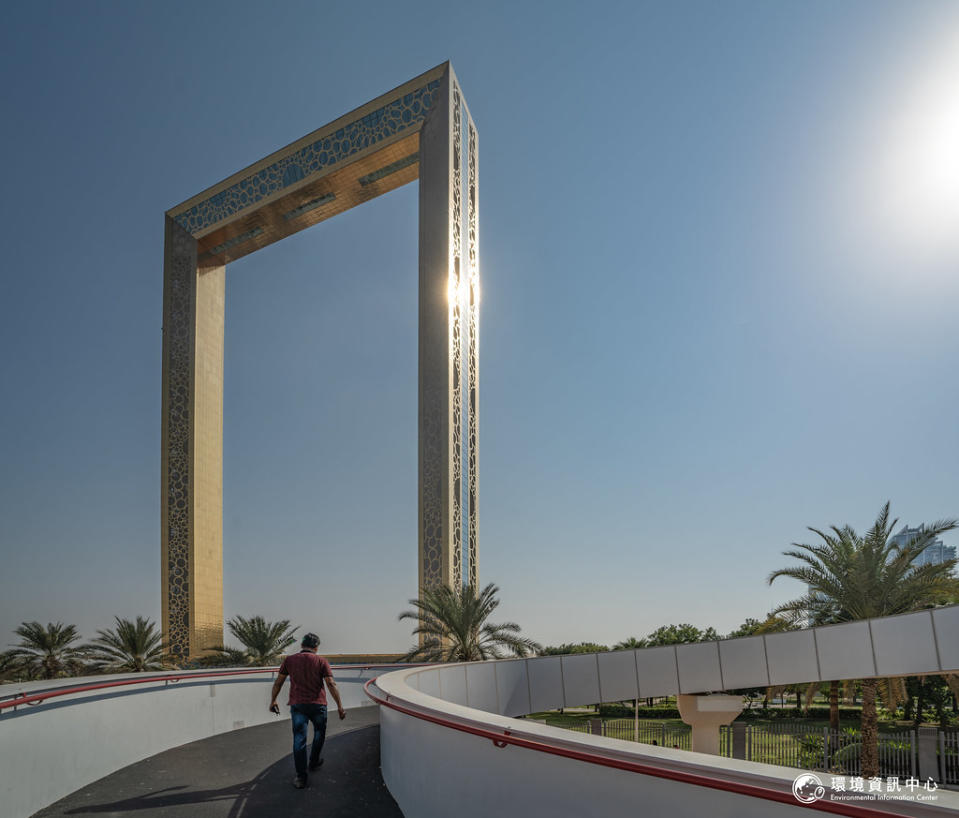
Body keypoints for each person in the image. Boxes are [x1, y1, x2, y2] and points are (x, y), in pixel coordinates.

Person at [269, 632, 346, 789]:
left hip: (298, 706)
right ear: (316, 647)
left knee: (299, 739)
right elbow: (331, 684)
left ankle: (301, 777)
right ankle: (314, 761)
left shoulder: (289, 660)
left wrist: (273, 700)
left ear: (302, 645)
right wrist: (339, 705)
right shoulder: (321, 661)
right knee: (319, 733)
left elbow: (278, 682)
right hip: (318, 705)